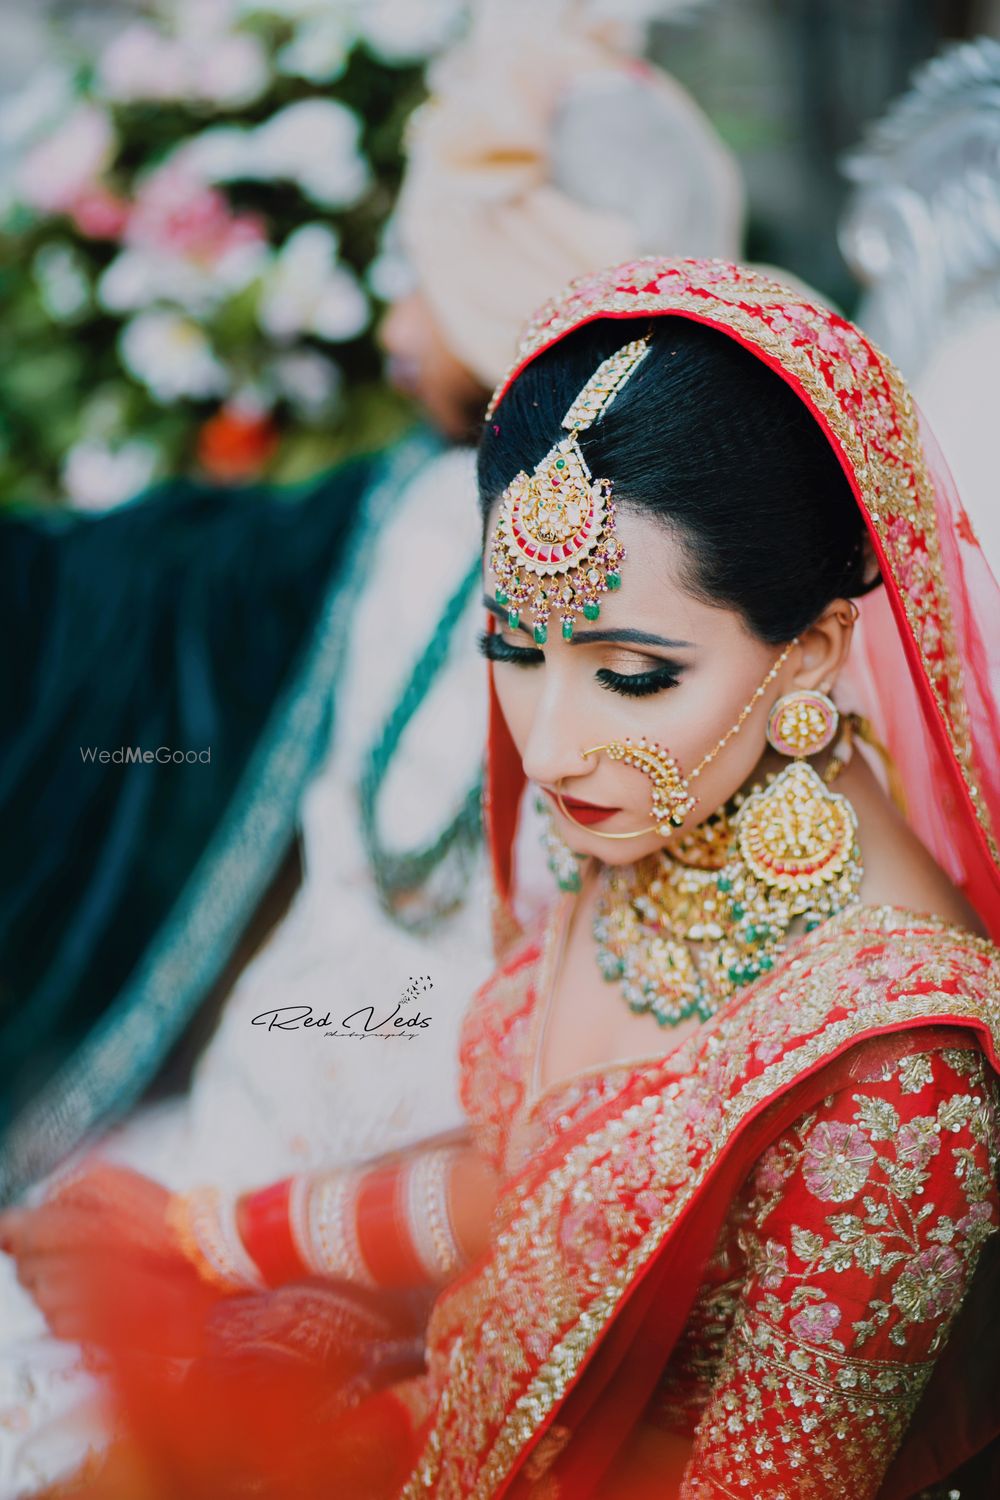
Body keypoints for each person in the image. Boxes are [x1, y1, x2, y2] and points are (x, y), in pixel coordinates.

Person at [38, 255, 1000, 1500]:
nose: (547, 749)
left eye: (632, 673)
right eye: (513, 647)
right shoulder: (667, 799)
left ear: (814, 648)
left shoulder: (902, 1079)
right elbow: (529, 1184)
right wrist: (208, 1232)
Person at [0, 9, 745, 1494]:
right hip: (258, 1112)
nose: (388, 312)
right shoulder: (407, 516)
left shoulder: (654, 584)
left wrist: (244, 1247)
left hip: (436, 1186)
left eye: (417, 269)